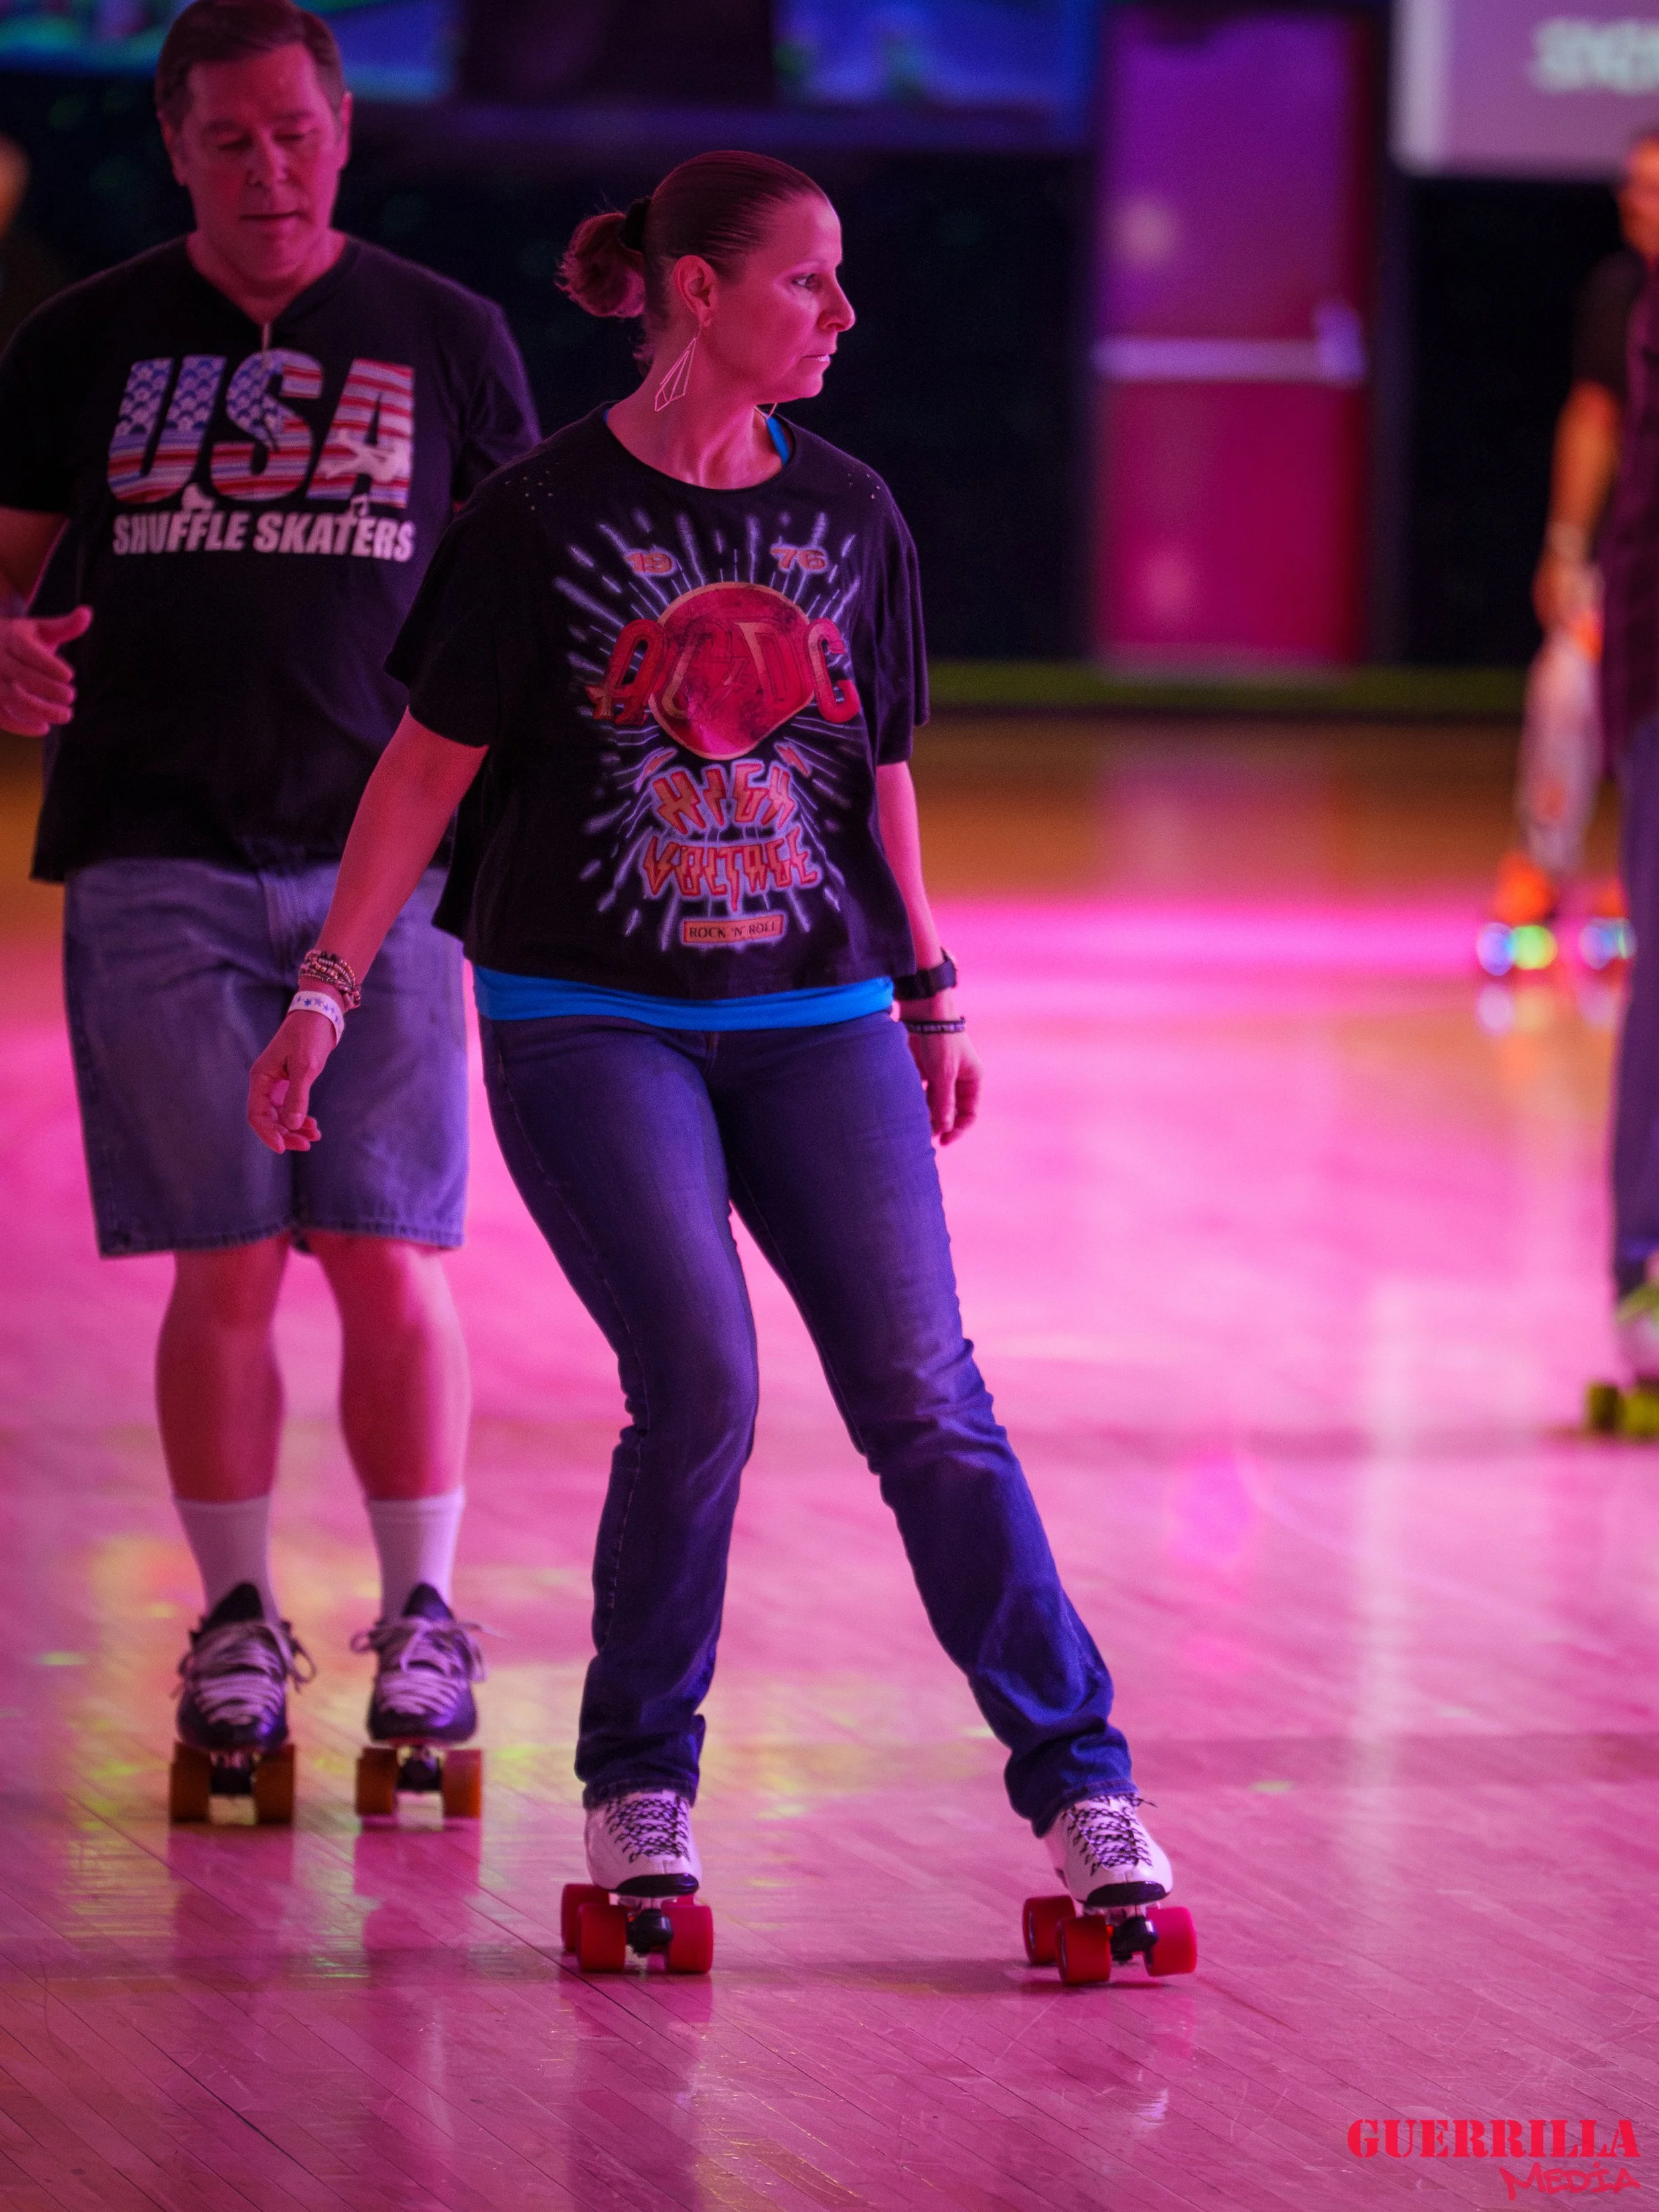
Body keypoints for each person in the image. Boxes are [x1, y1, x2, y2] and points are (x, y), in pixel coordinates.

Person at [247, 150, 1175, 1917]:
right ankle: (638, 1789)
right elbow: (420, 774)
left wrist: (928, 982)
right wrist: (324, 988)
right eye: (806, 281)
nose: (840, 313)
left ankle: (1083, 1790)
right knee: (702, 1388)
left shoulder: (849, 510)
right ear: (696, 290)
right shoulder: (533, 518)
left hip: (817, 1014)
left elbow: (877, 770)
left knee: (928, 1401)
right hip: (589, 1020)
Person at [0, 0, 538, 1788]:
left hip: (384, 870)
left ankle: (424, 1618)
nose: (268, 167)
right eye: (228, 139)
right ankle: (235, 1616)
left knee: (387, 1248)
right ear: (173, 148)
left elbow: (518, 616)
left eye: (295, 132)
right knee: (221, 1257)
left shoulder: (446, 339)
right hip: (153, 857)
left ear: (344, 130)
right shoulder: (83, 341)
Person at [1486, 129, 1659, 962]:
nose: (1636, 200)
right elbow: (1593, 416)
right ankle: (1541, 867)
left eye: (1656, 188)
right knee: (1564, 686)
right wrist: (1564, 546)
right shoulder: (1620, 290)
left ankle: (1643, 874)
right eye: (1631, 184)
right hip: (1634, 556)